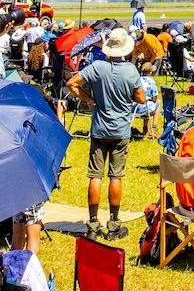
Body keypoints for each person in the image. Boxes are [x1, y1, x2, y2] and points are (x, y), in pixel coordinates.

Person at [73, 28, 152, 242]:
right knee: (116, 176)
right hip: (120, 130)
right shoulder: (130, 71)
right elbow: (142, 99)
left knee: (95, 176)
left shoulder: (97, 67)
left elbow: (73, 83)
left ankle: (92, 223)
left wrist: (88, 99)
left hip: (99, 128)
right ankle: (114, 224)